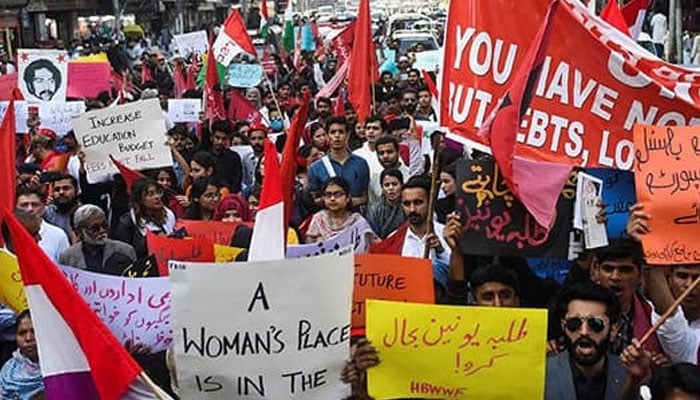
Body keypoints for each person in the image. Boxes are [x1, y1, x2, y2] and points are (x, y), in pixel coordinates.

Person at [627, 203, 700, 365]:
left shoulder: (693, 343)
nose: (689, 285)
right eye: (683, 276)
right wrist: (648, 245)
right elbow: (669, 315)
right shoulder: (645, 312)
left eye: (696, 278)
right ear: (669, 279)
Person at [545, 281, 625, 400]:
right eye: (574, 323)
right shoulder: (541, 374)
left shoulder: (630, 375)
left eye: (596, 324)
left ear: (613, 330)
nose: (584, 332)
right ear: (563, 327)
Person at [307, 116, 370, 209]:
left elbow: (365, 197)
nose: (337, 136)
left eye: (341, 132)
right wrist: (333, 201)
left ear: (347, 135)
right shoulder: (316, 167)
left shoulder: (361, 163)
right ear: (327, 136)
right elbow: (313, 201)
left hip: (355, 218)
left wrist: (348, 202)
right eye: (333, 132)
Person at [59, 205, 137, 275]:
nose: (102, 231)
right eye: (95, 228)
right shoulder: (67, 257)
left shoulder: (125, 251)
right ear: (79, 232)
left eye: (105, 225)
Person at [111, 178, 176, 259]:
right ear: (140, 199)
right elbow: (124, 252)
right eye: (150, 194)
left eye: (158, 192)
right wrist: (152, 241)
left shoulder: (169, 215)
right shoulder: (127, 222)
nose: (157, 197)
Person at [305, 177, 377, 249]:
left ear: (348, 198)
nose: (332, 198)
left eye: (337, 194)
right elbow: (309, 247)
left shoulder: (358, 221)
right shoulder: (319, 219)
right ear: (323, 198)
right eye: (328, 195)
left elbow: (370, 246)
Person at [15, 187, 69, 262]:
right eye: (24, 205)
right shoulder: (9, 234)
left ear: (43, 207)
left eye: (35, 205)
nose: (30, 209)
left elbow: (66, 269)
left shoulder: (58, 235)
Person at [0, 310, 44, 400]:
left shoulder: (59, 367)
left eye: (34, 331)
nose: (28, 338)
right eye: (22, 333)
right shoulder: (8, 372)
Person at [368, 169, 405, 239]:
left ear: (402, 185)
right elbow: (373, 235)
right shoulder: (374, 208)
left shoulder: (407, 205)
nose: (391, 188)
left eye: (394, 184)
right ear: (382, 187)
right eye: (387, 185)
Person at [43, 174, 80, 241]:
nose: (61, 192)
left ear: (76, 191)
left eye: (66, 188)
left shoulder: (84, 212)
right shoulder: (48, 213)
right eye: (57, 190)